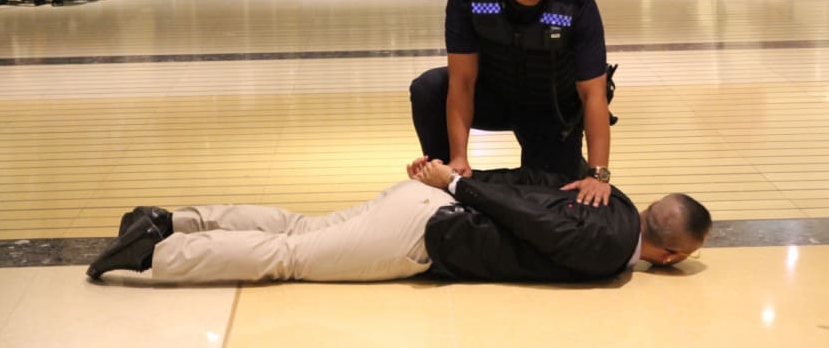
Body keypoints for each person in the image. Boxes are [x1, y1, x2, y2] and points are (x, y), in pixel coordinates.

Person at [85, 156, 712, 283]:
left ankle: (174, 220)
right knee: (292, 258)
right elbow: (532, 222)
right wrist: (458, 184)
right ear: (674, 253)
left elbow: (531, 183)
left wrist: (458, 179)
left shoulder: (612, 194)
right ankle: (154, 254)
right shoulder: (609, 252)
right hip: (427, 233)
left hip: (429, 206)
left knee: (302, 229)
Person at [410, 0, 614, 206]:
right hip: (495, 95)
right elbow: (463, 81)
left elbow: (592, 93)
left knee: (552, 199)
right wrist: (459, 156)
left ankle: (570, 164)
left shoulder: (574, 0)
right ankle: (444, 183)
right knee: (429, 88)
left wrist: (598, 175)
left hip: (551, 110)